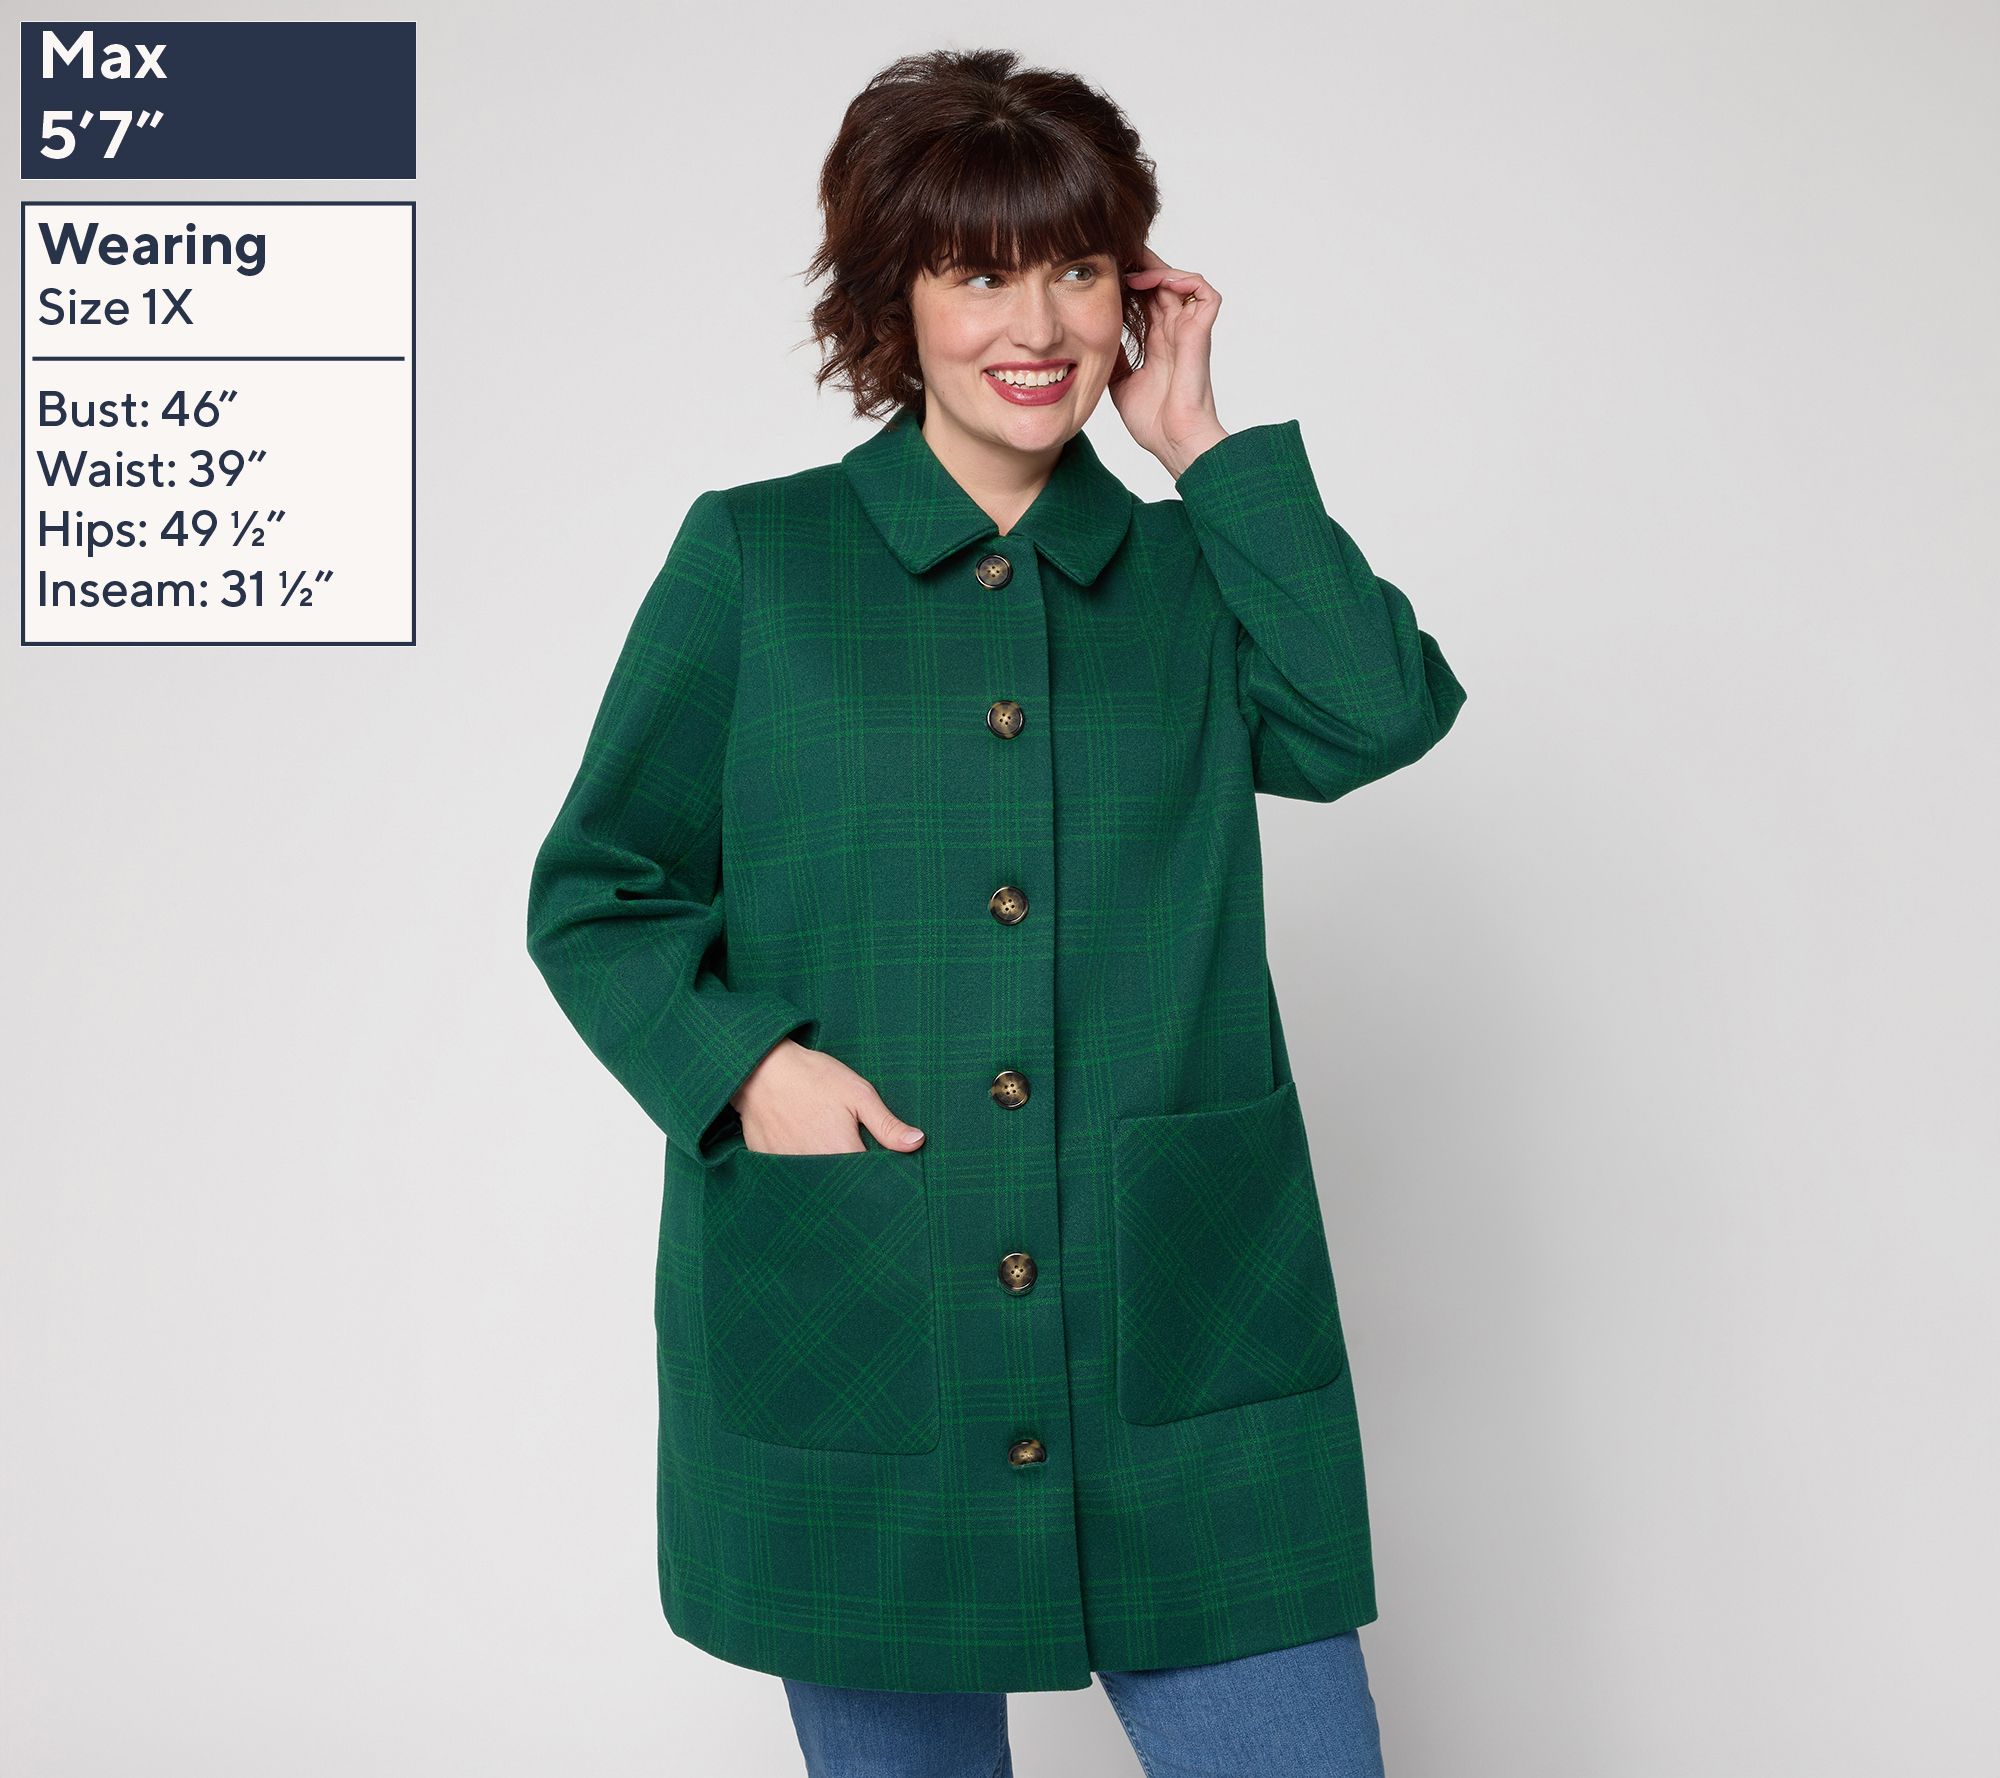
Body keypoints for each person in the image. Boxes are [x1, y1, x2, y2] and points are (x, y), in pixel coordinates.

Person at [526, 45, 1466, 1778]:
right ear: (895, 297)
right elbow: (600, 888)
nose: (1036, 323)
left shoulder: (1195, 573)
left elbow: (1380, 713)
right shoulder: (759, 561)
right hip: (867, 1306)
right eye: (977, 273)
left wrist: (1203, 449)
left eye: (1078, 268)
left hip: (1174, 1316)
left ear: (1136, 293)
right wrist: (750, 1071)